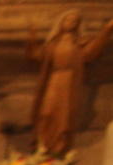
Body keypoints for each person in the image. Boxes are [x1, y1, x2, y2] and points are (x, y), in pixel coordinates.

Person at [28, 9, 113, 155]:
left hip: (69, 83)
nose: (71, 23)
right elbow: (37, 55)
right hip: (53, 79)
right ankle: (42, 146)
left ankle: (59, 148)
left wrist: (106, 30)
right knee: (45, 112)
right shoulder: (52, 45)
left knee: (64, 118)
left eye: (75, 21)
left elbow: (91, 51)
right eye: (68, 20)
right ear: (61, 23)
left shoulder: (79, 44)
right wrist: (32, 38)